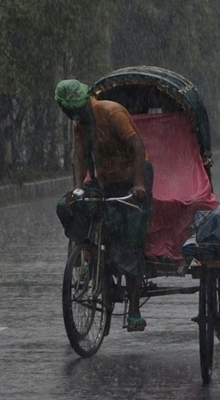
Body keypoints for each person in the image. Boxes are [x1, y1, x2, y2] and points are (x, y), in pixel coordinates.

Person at [55, 79, 153, 332]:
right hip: (105, 180)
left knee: (130, 241)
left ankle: (133, 309)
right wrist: (78, 188)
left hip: (134, 178)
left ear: (88, 100)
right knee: (67, 205)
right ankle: (88, 253)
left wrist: (139, 184)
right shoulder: (81, 124)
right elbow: (80, 157)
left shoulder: (111, 112)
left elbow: (137, 148)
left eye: (76, 110)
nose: (75, 116)